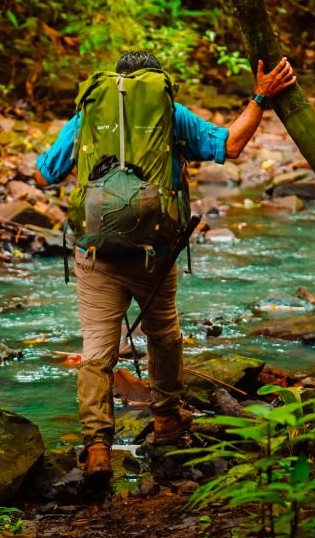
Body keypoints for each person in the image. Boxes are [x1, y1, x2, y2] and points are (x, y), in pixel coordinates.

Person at [35, 50, 296, 483]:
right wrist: (261, 97)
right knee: (163, 337)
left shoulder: (87, 116)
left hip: (96, 256)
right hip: (153, 255)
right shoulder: (168, 112)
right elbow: (229, 145)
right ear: (154, 82)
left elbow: (45, 174)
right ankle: (167, 422)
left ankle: (98, 449)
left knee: (97, 352)